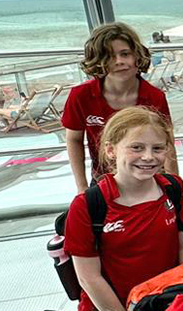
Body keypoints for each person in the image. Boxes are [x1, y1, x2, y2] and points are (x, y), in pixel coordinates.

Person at [65, 106, 183, 311]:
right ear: (110, 150)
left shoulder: (172, 188)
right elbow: (89, 277)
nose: (148, 157)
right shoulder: (88, 205)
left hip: (166, 306)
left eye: (158, 148)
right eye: (136, 147)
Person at [63, 22, 171, 193]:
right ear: (98, 60)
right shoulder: (80, 96)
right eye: (110, 56)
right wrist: (81, 187)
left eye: (125, 54)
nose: (119, 61)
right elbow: (73, 139)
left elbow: (167, 143)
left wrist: (174, 185)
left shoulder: (155, 97)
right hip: (102, 182)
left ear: (137, 56)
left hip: (148, 179)